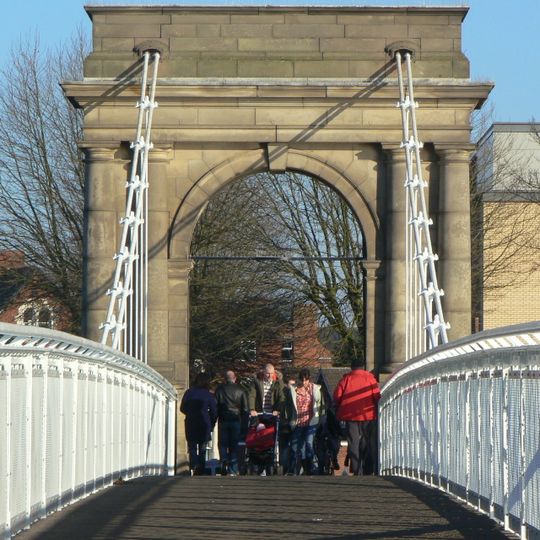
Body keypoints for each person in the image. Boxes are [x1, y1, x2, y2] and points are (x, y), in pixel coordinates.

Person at [333, 361, 380, 475]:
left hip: (350, 415)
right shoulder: (370, 378)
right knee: (368, 441)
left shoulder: (346, 379)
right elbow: (377, 396)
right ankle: (368, 468)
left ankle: (357, 470)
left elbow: (337, 396)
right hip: (367, 414)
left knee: (353, 442)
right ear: (363, 368)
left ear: (352, 367)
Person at [284, 368, 324, 475]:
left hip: (311, 421)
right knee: (295, 446)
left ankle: (310, 468)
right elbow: (288, 406)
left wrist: (320, 418)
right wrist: (289, 420)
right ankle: (292, 469)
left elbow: (320, 405)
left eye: (306, 380)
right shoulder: (294, 389)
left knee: (308, 444)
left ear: (309, 379)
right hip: (298, 422)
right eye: (302, 380)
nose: (304, 382)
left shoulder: (315, 389)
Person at [180, 372, 217, 476]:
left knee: (192, 447)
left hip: (191, 422)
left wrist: (190, 413)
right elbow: (214, 411)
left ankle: (194, 464)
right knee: (202, 448)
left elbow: (182, 408)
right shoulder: (209, 394)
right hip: (204, 422)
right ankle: (201, 470)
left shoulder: (189, 392)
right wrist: (212, 423)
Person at [215, 370, 248, 476]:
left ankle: (224, 460)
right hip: (236, 420)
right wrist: (245, 423)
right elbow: (245, 409)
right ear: (235, 378)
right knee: (234, 445)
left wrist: (214, 420)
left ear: (225, 379)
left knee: (222, 443)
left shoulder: (219, 390)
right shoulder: (241, 390)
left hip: (223, 420)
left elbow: (215, 406)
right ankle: (233, 469)